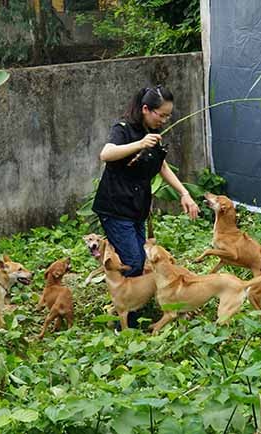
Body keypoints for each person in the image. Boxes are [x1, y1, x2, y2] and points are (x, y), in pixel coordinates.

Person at [92, 85, 199, 328]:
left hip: (137, 209)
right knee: (132, 260)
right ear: (145, 109)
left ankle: (137, 305)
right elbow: (106, 154)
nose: (164, 120)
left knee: (140, 259)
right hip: (115, 207)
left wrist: (184, 193)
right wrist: (140, 143)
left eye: (168, 116)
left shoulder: (154, 135)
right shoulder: (124, 130)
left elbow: (161, 166)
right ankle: (124, 321)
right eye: (160, 115)